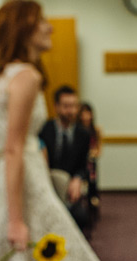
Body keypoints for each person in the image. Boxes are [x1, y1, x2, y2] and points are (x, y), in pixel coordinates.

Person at [0, 0, 105, 261]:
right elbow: (13, 148)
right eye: (41, 20)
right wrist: (16, 219)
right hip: (25, 178)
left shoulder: (2, 75)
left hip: (8, 176)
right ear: (23, 28)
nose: (49, 27)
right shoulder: (26, 76)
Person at [38, 85, 92, 230]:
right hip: (46, 185)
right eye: (66, 106)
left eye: (74, 106)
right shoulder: (44, 129)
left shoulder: (83, 134)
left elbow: (84, 166)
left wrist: (77, 179)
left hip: (69, 189)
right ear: (56, 107)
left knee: (80, 217)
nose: (71, 111)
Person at [78, 101, 102, 212]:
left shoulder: (96, 130)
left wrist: (93, 153)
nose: (86, 116)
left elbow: (99, 149)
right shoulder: (77, 130)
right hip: (80, 160)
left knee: (92, 176)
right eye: (84, 113)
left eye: (88, 113)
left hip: (91, 161)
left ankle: (93, 198)